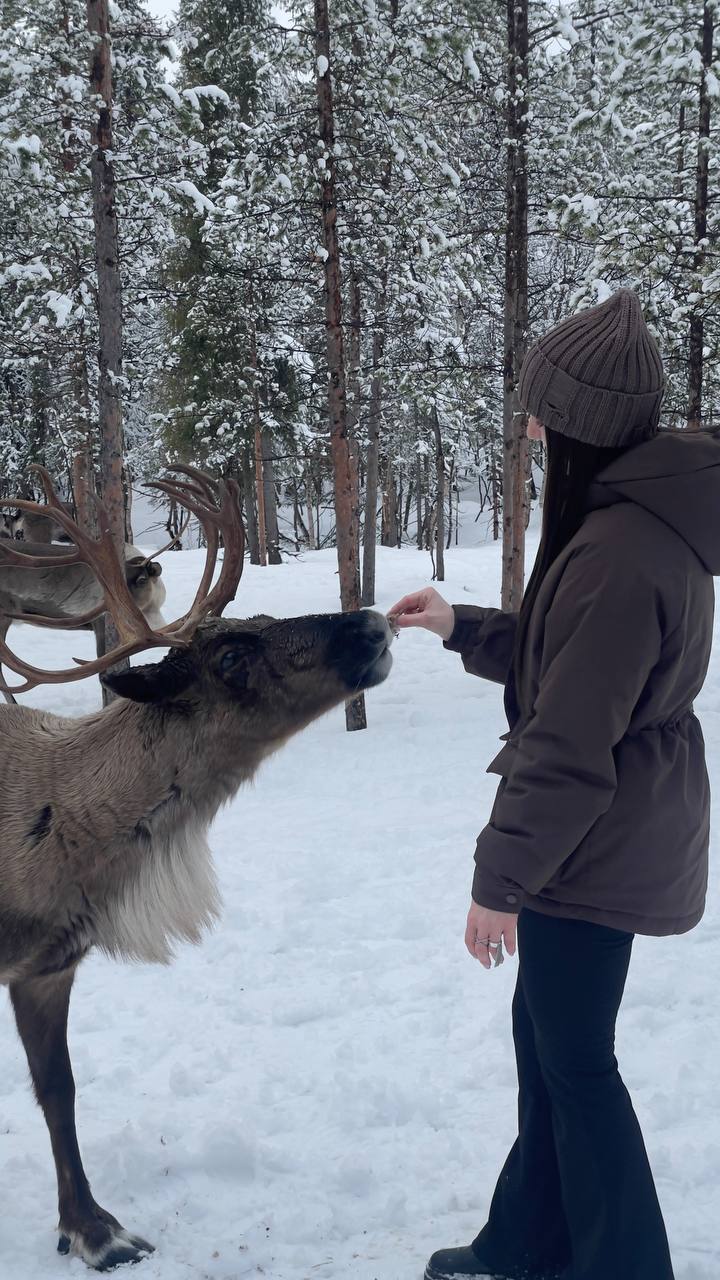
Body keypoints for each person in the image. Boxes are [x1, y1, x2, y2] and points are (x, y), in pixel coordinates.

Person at [389, 289, 720, 1280]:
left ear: (582, 422)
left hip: (597, 839)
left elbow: (570, 744)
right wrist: (464, 626)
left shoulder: (622, 553)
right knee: (550, 1048)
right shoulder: (629, 524)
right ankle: (524, 1245)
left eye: (541, 410)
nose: (529, 424)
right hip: (609, 830)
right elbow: (565, 665)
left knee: (575, 1064)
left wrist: (499, 880)